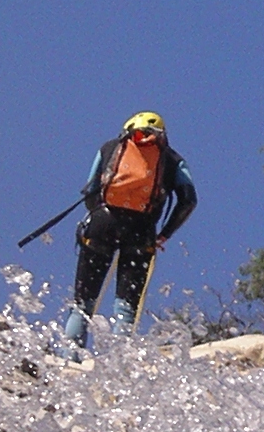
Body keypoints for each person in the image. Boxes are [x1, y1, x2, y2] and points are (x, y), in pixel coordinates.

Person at [63, 110, 196, 346]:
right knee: (126, 308)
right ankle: (118, 357)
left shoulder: (109, 147)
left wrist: (97, 214)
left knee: (83, 303)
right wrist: (164, 234)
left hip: (102, 224)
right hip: (141, 232)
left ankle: (70, 355)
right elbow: (189, 200)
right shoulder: (173, 159)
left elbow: (91, 189)